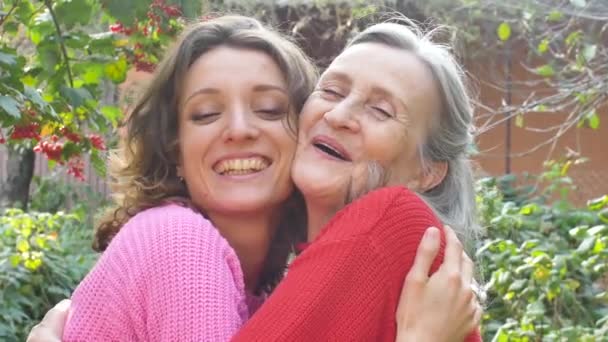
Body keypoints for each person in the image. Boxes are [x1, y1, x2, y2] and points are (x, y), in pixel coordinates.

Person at [27, 15, 482, 342]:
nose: (339, 115)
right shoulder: (180, 241)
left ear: (429, 170)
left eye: (268, 110)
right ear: (176, 153)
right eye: (332, 91)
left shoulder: (386, 237)